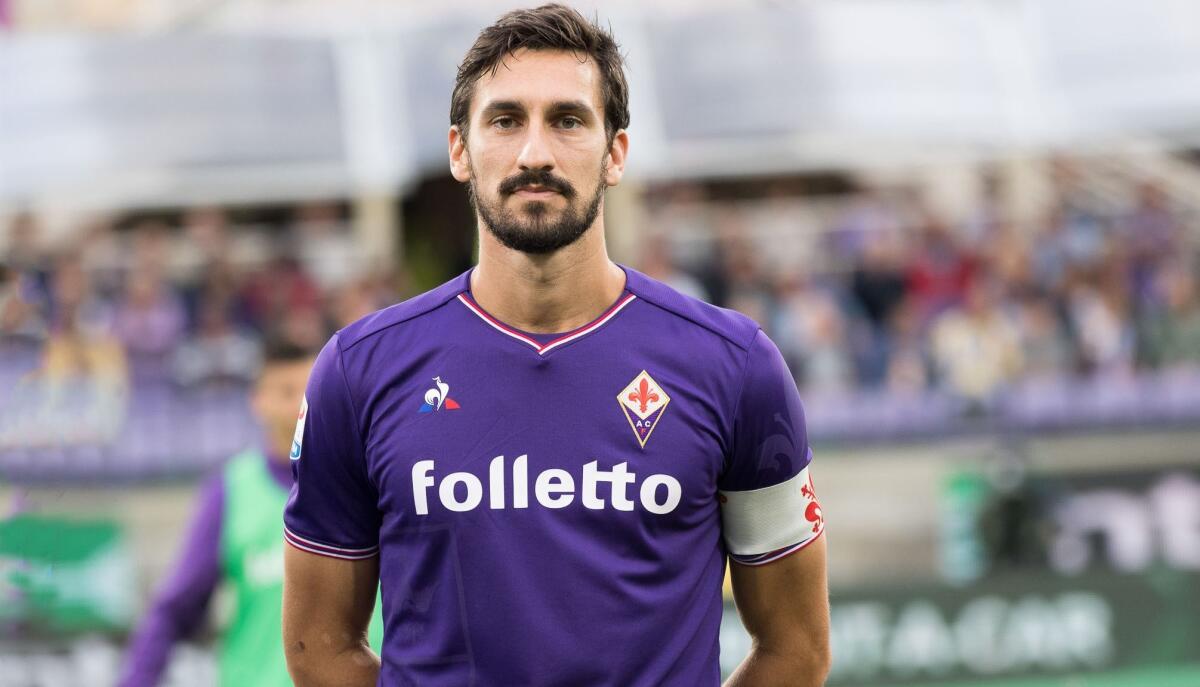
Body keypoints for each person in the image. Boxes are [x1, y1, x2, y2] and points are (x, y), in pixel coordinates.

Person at [282, 5, 830, 686]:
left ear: (615, 153)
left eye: (568, 120)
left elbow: (797, 646)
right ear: (460, 150)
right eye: (505, 119)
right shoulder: (360, 371)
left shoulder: (734, 366)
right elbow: (317, 643)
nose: (534, 152)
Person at [119, 341, 382, 686]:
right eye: (288, 392)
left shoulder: (372, 482)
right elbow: (177, 607)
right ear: (258, 402)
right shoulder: (232, 491)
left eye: (311, 389)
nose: (303, 403)